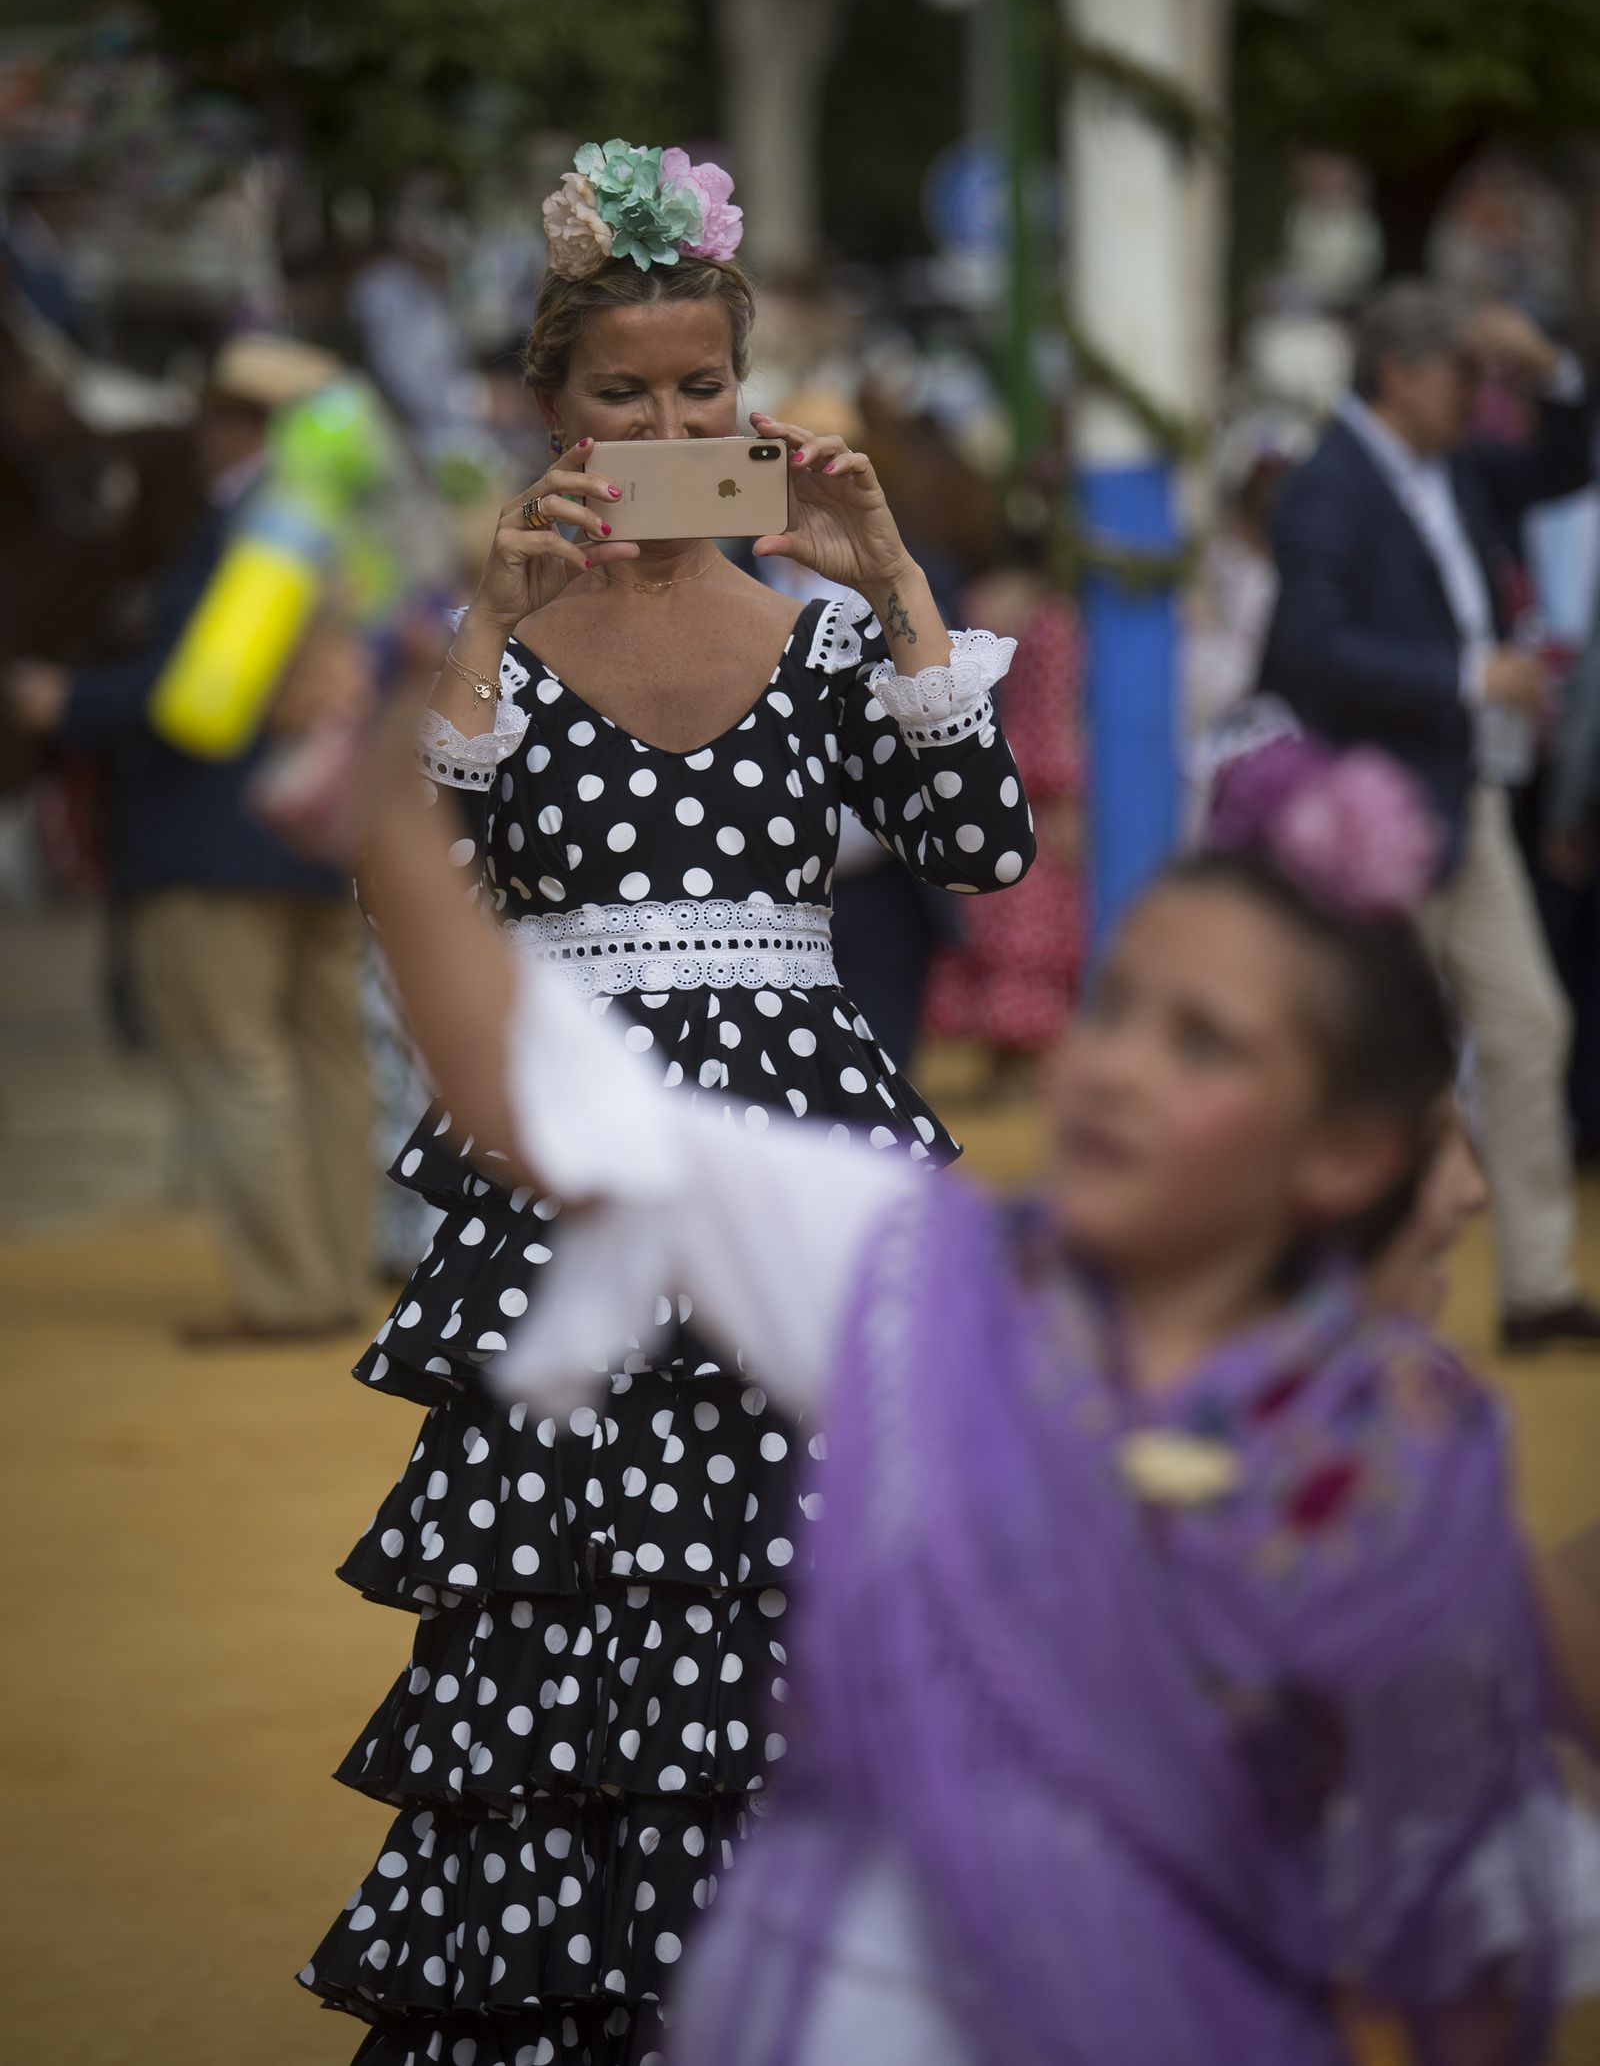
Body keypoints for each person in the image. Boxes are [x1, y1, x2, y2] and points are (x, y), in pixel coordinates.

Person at [288, 674, 1600, 2066]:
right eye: (1114, 1008)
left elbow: (1465, 1951)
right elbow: (550, 1101)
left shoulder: (1392, 1478)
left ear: (1344, 1151)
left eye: (1202, 1043)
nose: (1114, 1069)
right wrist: (390, 801)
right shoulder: (920, 1278)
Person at [295, 139, 1035, 2065]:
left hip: (801, 1170)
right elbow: (410, 897)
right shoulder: (501, 649)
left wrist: (892, 573)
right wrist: (485, 623)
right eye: (621, 394)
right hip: (576, 1183)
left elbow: (982, 846)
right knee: (562, 1617)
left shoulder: (829, 637)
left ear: (749, 392)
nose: (669, 425)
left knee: (808, 1596)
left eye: (703, 387)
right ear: (549, 406)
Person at [5, 336, 374, 1344]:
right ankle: (335, 1271)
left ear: (237, 426)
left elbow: (200, 694)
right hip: (324, 831)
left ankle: (288, 1291)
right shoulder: (349, 523)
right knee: (326, 1062)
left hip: (216, 835)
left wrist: (69, 700)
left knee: (234, 1065)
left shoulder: (261, 520)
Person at [1259, 279, 1598, 1351]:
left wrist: (1544, 364)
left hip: (1464, 797)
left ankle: (1535, 1287)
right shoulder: (1328, 485)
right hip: (1374, 817)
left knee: (1528, 1025)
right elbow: (1306, 656)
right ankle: (1360, 1289)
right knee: (1379, 1059)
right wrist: (1464, 678)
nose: (1478, 392)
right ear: (1398, 374)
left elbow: (1564, 463)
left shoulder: (1446, 465)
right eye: (1462, 372)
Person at [923, 561, 1086, 1087]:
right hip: (1036, 788)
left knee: (994, 919)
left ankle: (1004, 1060)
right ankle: (1017, 1061)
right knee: (1028, 926)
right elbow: (1049, 715)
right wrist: (1062, 790)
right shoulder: (1055, 620)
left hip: (981, 772)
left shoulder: (978, 600)